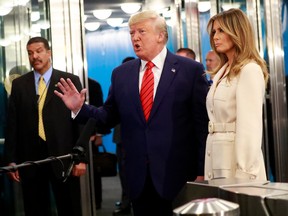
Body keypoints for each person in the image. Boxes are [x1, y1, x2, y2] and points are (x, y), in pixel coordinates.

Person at [55, 10, 209, 216]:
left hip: (180, 176)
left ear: (160, 36)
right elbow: (107, 117)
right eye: (132, 33)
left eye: (141, 32)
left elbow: (202, 126)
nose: (135, 37)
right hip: (138, 178)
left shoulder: (190, 70)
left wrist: (201, 171)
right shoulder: (122, 74)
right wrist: (78, 108)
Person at [3, 36, 86, 216]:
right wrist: (10, 159)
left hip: (64, 157)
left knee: (69, 207)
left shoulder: (68, 80)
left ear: (49, 53)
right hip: (31, 159)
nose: (35, 56)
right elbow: (12, 123)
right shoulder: (19, 84)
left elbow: (80, 121)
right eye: (30, 53)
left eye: (39, 51)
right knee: (35, 208)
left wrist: (81, 158)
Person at [204, 8, 269, 181]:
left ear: (237, 32)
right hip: (217, 155)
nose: (215, 36)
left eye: (221, 30)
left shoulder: (249, 69)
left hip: (236, 162)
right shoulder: (223, 71)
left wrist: (245, 173)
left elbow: (250, 128)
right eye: (214, 32)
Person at [112, 56, 135, 216]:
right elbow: (110, 108)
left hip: (139, 137)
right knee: (124, 173)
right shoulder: (118, 82)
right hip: (122, 137)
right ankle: (126, 202)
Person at [88, 77, 106, 210]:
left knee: (95, 169)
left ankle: (97, 201)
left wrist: (99, 134)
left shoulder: (93, 84)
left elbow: (101, 108)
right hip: (74, 136)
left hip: (92, 136)